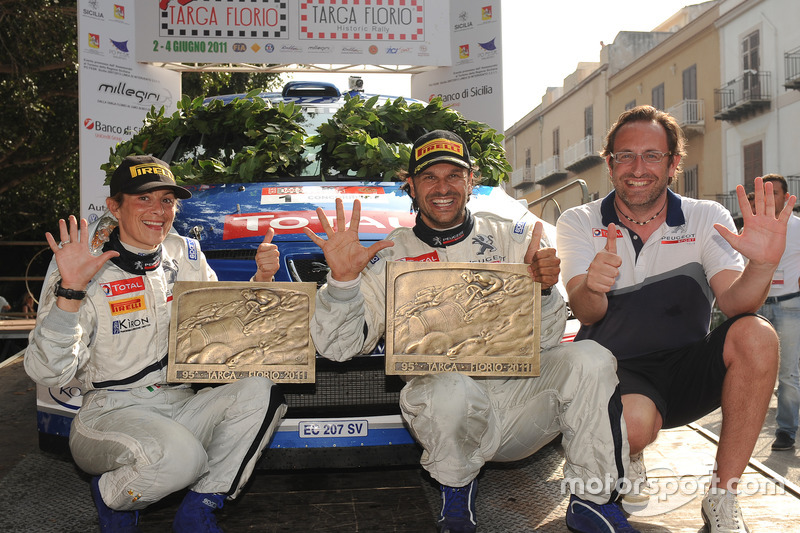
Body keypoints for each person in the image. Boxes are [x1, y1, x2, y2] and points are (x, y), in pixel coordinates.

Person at [305, 130, 637, 533]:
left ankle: (593, 501)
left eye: (453, 176)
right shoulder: (391, 252)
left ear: (471, 180)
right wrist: (341, 284)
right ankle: (456, 494)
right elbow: (338, 348)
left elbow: (548, 340)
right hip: (449, 414)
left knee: (592, 358)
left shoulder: (514, 236)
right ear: (411, 185)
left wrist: (545, 289)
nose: (442, 188)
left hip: (522, 402)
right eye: (429, 177)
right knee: (449, 387)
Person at [556, 105, 796, 533]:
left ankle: (723, 496)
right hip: (617, 373)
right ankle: (626, 453)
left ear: (673, 164)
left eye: (652, 155)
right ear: (609, 164)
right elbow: (587, 311)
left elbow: (738, 304)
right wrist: (592, 285)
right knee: (634, 427)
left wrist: (761, 265)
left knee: (758, 335)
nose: (638, 167)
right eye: (625, 155)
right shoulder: (579, 220)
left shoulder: (707, 217)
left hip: (688, 367)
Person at [24, 155, 287, 533]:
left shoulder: (187, 253)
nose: (158, 211)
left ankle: (200, 509)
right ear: (115, 206)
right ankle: (112, 493)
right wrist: (71, 291)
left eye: (167, 200)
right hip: (110, 412)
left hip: (181, 403)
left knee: (260, 392)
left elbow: (222, 321)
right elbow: (46, 371)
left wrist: (262, 277)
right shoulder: (82, 265)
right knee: (183, 459)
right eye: (143, 199)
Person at [756, 174, 800, 452]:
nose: (768, 198)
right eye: (764, 193)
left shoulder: (797, 226)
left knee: (788, 374)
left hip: (789, 305)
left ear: (785, 197)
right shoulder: (754, 226)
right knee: (756, 372)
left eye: (774, 193)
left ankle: (786, 431)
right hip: (758, 304)